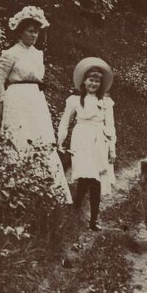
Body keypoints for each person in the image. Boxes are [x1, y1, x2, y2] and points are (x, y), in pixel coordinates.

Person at [0, 6, 72, 204]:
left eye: (37, 31)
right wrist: (3, 105)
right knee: (18, 139)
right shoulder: (10, 54)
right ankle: (12, 191)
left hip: (35, 101)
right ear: (20, 31)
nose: (34, 35)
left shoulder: (38, 54)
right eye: (30, 30)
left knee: (40, 139)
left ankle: (45, 192)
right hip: (16, 100)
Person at [58, 57, 116, 230]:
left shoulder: (105, 102)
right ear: (84, 81)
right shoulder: (74, 100)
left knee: (96, 178)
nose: (94, 84)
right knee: (85, 175)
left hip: (99, 141)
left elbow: (110, 126)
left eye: (97, 81)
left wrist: (112, 149)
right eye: (91, 80)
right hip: (81, 139)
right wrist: (60, 141)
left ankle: (93, 220)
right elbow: (64, 121)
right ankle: (76, 209)